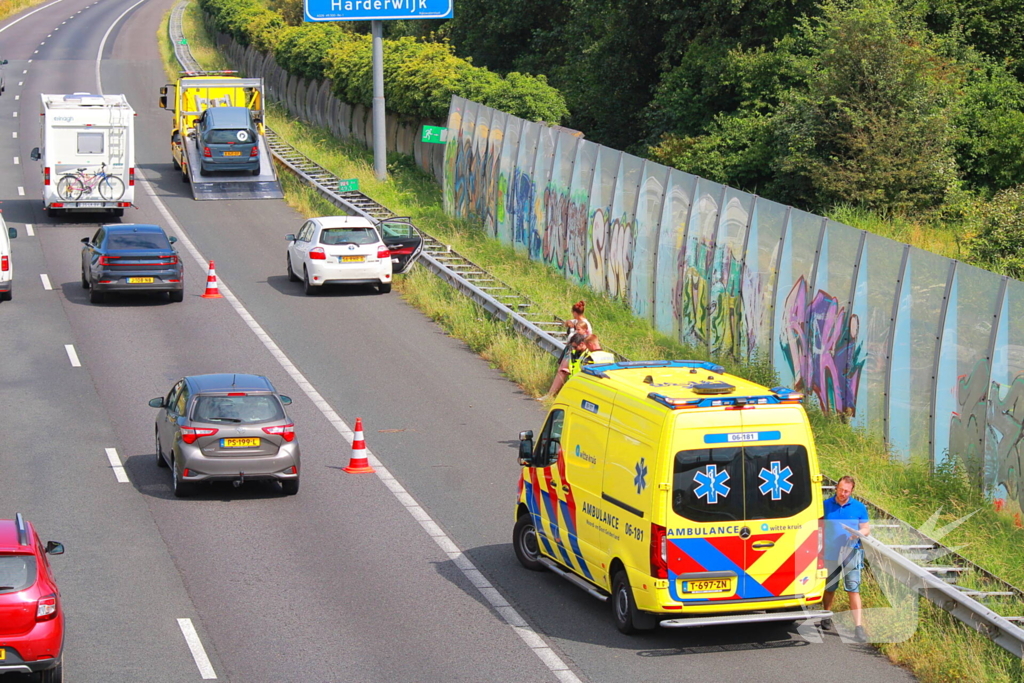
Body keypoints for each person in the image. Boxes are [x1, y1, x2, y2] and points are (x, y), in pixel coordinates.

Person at [822, 475, 871, 642]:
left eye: (847, 491)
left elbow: (866, 528)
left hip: (852, 552)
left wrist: (857, 534)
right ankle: (826, 614)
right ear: (836, 488)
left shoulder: (859, 507)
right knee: (830, 587)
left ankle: (858, 627)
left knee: (853, 589)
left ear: (851, 491)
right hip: (831, 553)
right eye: (841, 490)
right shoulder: (826, 505)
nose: (843, 493)